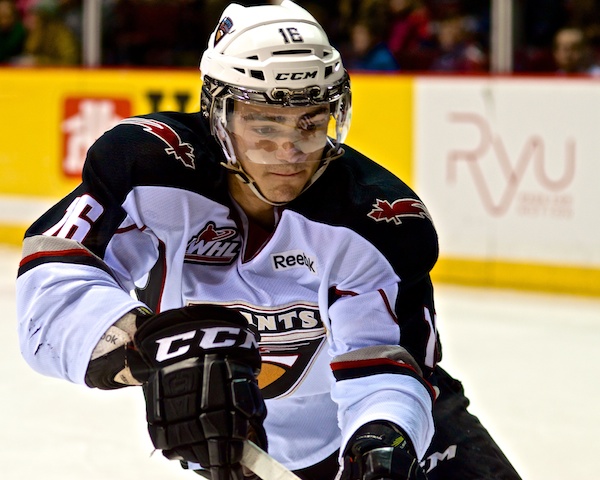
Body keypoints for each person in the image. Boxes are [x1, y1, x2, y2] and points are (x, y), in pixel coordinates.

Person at [16, 1, 522, 479]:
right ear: (220, 116)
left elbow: (383, 366)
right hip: (233, 440)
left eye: (310, 122)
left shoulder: (375, 221)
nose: (290, 151)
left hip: (389, 431)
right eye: (263, 125)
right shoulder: (151, 170)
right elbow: (53, 286)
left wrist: (381, 440)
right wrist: (146, 353)